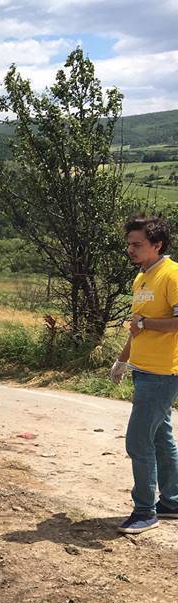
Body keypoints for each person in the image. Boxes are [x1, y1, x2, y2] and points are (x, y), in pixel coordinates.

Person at [109, 216, 178, 535]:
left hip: (164, 372)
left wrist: (146, 326)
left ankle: (144, 510)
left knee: (138, 441)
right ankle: (172, 502)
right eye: (128, 245)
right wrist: (123, 360)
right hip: (143, 369)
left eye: (137, 244)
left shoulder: (172, 274)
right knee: (160, 437)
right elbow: (137, 325)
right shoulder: (141, 279)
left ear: (157, 245)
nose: (130, 250)